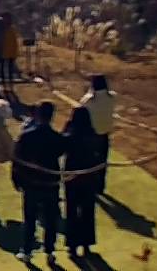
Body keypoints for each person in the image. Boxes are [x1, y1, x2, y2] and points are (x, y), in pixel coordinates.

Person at [13, 101, 66, 264]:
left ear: (37, 115)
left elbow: (17, 160)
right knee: (51, 219)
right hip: (50, 184)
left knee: (30, 218)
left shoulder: (26, 136)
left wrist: (16, 179)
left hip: (31, 183)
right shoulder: (57, 138)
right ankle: (50, 251)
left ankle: (27, 251)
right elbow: (62, 150)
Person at [62, 106, 105, 258]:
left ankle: (72, 245)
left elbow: (63, 147)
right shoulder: (92, 133)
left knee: (72, 211)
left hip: (73, 178)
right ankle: (86, 244)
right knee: (87, 211)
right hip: (89, 178)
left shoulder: (71, 133)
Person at [79, 75, 117, 191]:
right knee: (102, 162)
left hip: (91, 135)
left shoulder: (89, 100)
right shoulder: (112, 97)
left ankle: (90, 185)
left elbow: (82, 105)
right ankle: (100, 186)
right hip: (105, 134)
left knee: (90, 162)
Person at [0, 17, 20, 91]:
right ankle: (4, 86)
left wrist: (16, 52)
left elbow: (15, 42)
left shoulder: (12, 29)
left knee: (9, 71)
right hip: (3, 53)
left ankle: (11, 86)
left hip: (11, 53)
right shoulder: (2, 30)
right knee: (3, 71)